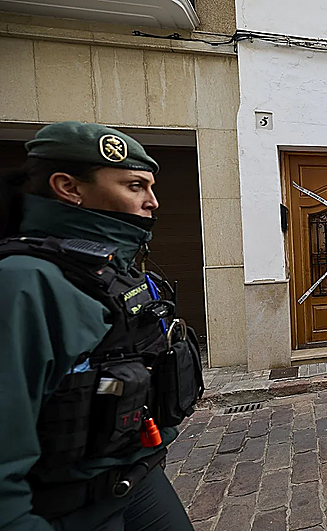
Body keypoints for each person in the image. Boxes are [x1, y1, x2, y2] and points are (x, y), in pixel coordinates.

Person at [0, 122, 203, 530]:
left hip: (135, 476)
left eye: (151, 187)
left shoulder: (114, 268)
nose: (152, 202)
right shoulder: (22, 283)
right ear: (68, 187)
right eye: (134, 186)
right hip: (64, 505)